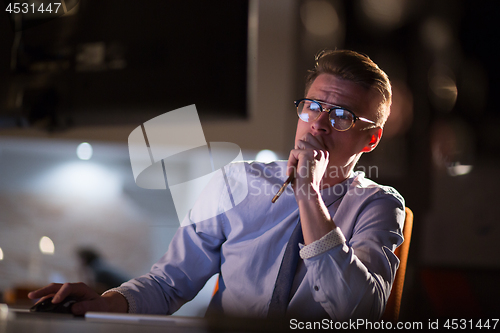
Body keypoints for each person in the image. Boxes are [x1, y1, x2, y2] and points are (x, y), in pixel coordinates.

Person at [29, 50, 405, 321]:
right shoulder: (238, 181)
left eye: (341, 115)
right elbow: (170, 282)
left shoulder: (379, 206)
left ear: (370, 140)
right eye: (313, 106)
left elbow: (361, 312)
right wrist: (105, 302)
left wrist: (308, 191)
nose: (319, 123)